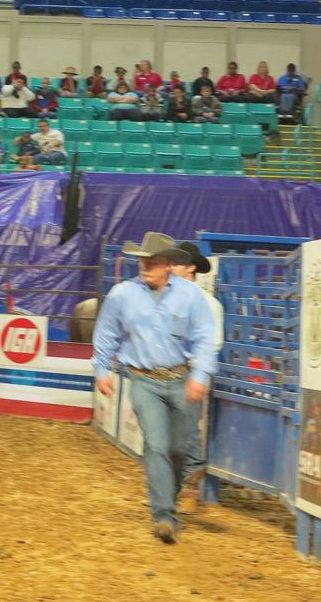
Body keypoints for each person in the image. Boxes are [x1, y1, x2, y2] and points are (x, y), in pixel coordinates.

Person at [92, 232, 216, 544]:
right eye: (142, 259)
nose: (145, 264)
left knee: (178, 449)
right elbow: (107, 333)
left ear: (168, 265)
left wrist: (200, 374)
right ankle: (163, 515)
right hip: (143, 380)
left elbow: (204, 337)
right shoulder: (122, 294)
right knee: (157, 445)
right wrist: (102, 368)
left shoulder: (190, 296)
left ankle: (166, 498)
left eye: (153, 260)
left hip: (182, 379)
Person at [170, 241, 224, 516]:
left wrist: (197, 374)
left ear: (190, 268)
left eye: (176, 263)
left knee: (185, 430)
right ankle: (171, 492)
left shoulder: (208, 304)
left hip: (189, 372)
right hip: (167, 370)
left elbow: (213, 344)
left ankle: (189, 489)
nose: (170, 268)